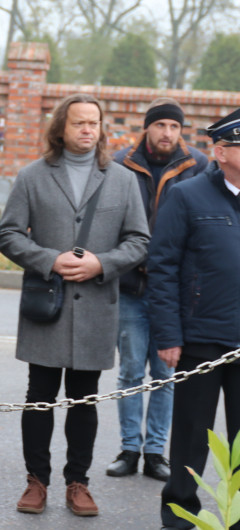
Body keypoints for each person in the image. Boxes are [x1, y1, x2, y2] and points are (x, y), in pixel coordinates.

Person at [0, 93, 149, 517]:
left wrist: (103, 263)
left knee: (84, 399)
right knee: (40, 396)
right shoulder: (32, 176)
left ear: (102, 129)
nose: (87, 130)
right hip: (48, 305)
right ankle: (37, 481)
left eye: (93, 123)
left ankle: (78, 482)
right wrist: (49, 260)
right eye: (79, 123)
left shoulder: (121, 180)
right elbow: (9, 234)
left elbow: (139, 241)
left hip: (98, 306)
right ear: (61, 128)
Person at [106, 99, 207, 482]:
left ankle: (155, 452)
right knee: (131, 370)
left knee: (165, 373)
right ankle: (129, 448)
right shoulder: (121, 163)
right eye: (161, 125)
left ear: (182, 131)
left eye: (174, 126)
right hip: (131, 286)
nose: (167, 133)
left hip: (176, 292)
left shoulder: (197, 165)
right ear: (146, 127)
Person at [148, 108, 240, 529]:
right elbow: (162, 267)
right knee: (190, 434)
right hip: (201, 337)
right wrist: (168, 334)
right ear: (220, 152)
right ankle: (180, 514)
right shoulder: (186, 196)